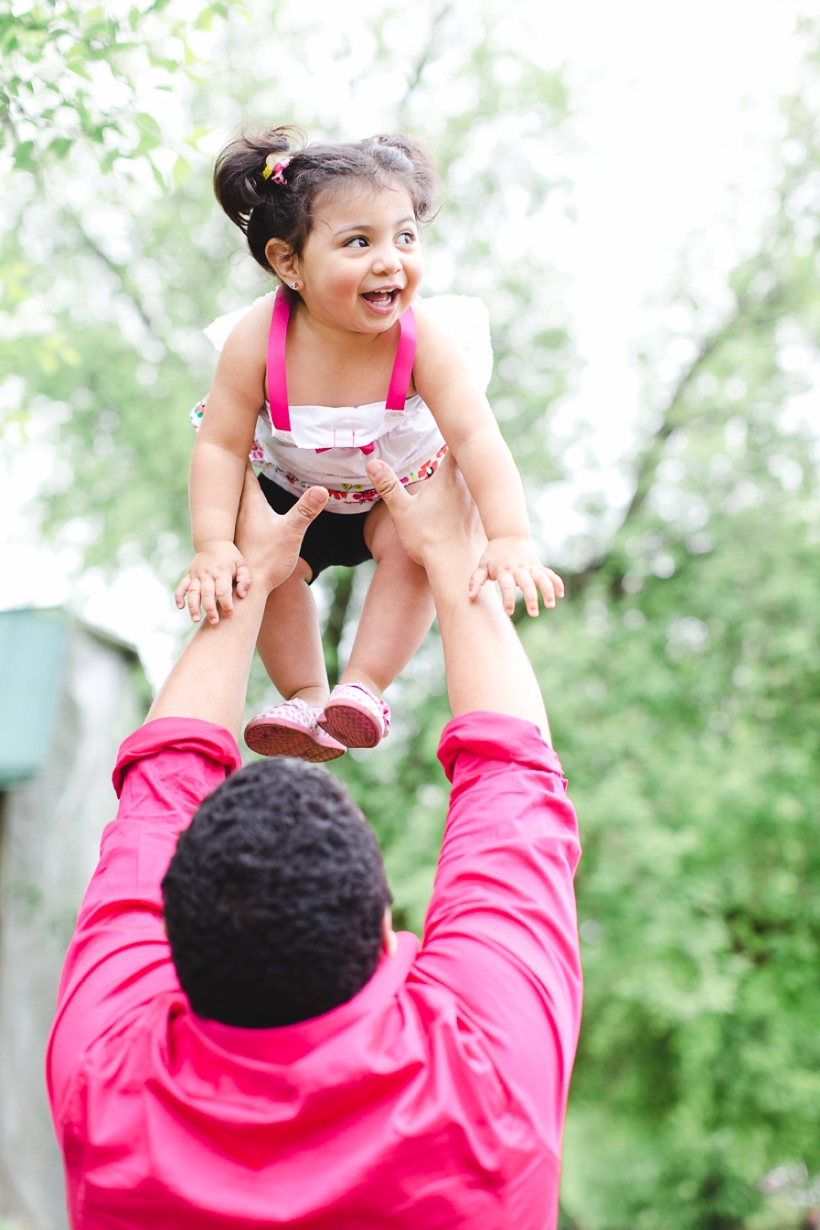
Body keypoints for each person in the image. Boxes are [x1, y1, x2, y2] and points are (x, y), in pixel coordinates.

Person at [47, 455, 582, 1229]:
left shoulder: (105, 1090)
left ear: (171, 943)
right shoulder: (487, 1086)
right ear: (382, 932)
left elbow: (152, 809)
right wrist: (454, 557)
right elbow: (514, 799)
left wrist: (250, 578)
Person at [175, 127, 563, 763]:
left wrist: (510, 536)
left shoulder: (423, 338)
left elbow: (475, 436)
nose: (391, 260)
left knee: (416, 552)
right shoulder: (257, 339)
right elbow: (219, 447)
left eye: (404, 236)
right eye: (359, 242)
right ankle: (304, 695)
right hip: (291, 494)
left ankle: (362, 688)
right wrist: (213, 548)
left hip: (396, 493)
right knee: (266, 570)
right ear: (288, 262)